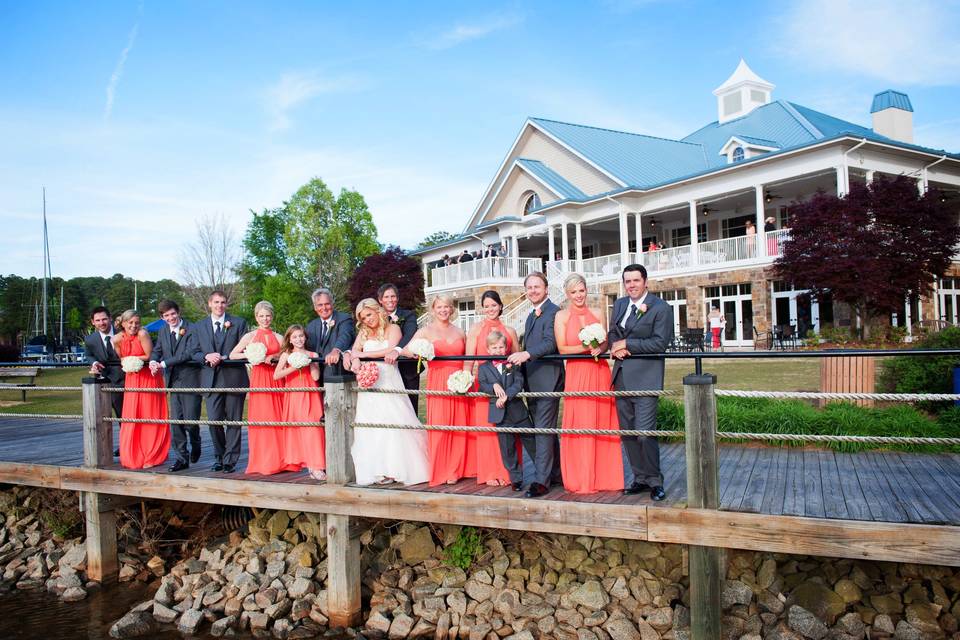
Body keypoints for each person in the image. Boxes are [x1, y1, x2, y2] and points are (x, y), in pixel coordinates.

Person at [607, 264, 674, 501]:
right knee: (628, 433)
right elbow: (613, 333)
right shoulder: (620, 304)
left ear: (645, 281)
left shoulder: (661, 308)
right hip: (622, 377)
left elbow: (659, 343)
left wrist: (628, 346)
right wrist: (617, 347)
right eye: (627, 281)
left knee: (645, 433)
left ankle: (655, 480)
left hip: (646, 378)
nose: (631, 285)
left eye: (636, 280)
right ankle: (640, 478)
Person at [345, 299, 429, 485]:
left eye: (369, 314)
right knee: (371, 423)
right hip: (368, 385)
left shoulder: (393, 329)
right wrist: (355, 360)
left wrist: (362, 355)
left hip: (388, 379)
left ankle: (396, 468)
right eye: (363, 317)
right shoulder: (363, 332)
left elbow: (390, 350)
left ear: (377, 311)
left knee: (393, 420)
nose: (367, 320)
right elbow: (354, 351)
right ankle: (377, 469)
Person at [554, 273, 623, 494]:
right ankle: (582, 478)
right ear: (567, 294)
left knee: (602, 422)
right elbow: (563, 348)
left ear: (586, 291)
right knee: (582, 422)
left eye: (581, 291)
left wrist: (599, 348)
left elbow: (604, 343)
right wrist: (585, 348)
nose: (578, 296)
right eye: (574, 292)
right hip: (577, 374)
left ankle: (606, 478)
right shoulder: (561, 316)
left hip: (599, 372)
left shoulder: (598, 312)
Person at [402, 295, 475, 486]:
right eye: (440, 307)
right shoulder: (425, 331)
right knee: (442, 425)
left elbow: (468, 357)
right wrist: (420, 352)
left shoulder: (460, 332)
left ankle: (459, 468)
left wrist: (466, 377)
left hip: (459, 381)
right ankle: (443, 468)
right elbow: (406, 350)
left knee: (461, 424)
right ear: (433, 309)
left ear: (452, 309)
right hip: (438, 381)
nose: (443, 310)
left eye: (447, 307)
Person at [507, 272, 563, 498]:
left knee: (542, 430)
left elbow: (551, 343)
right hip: (532, 380)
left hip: (548, 379)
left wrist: (526, 354)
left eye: (537, 286)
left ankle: (541, 481)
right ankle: (556, 474)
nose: (533, 290)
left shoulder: (554, 312)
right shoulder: (531, 316)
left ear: (546, 289)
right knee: (544, 431)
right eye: (529, 287)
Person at [464, 290, 520, 486]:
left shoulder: (510, 331)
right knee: (488, 430)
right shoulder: (475, 329)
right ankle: (489, 472)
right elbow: (468, 359)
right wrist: (465, 378)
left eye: (493, 305)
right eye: (486, 306)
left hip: (507, 389)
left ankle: (508, 473)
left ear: (500, 306)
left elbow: (517, 359)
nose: (490, 309)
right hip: (485, 387)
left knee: (507, 431)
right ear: (482, 308)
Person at [231, 301, 291, 476]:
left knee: (278, 418)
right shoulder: (249, 337)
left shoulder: (279, 337)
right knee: (263, 418)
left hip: (275, 380)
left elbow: (286, 354)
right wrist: (250, 355)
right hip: (259, 380)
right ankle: (264, 461)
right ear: (256, 317)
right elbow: (233, 354)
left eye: (268, 315)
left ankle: (282, 460)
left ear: (272, 317)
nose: (265, 319)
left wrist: (274, 356)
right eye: (261, 316)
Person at [194, 290, 248, 473]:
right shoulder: (199, 326)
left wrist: (224, 356)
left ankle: (230, 460)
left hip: (234, 378)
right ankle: (219, 456)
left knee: (234, 421)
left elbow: (245, 349)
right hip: (210, 379)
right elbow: (194, 352)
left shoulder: (239, 323)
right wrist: (206, 356)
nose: (220, 305)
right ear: (210, 303)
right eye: (216, 302)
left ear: (227, 304)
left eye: (223, 302)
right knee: (214, 421)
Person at [148, 300, 202, 472]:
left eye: (173, 314)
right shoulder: (163, 330)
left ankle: (196, 442)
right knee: (176, 422)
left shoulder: (192, 328)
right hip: (172, 381)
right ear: (162, 317)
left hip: (191, 379)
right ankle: (181, 457)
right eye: (166, 315)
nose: (170, 318)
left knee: (191, 421)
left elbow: (188, 354)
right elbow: (157, 349)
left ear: (178, 312)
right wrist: (153, 361)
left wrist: (163, 364)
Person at [114, 309, 170, 469]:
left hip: (148, 378)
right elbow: (120, 358)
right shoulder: (116, 339)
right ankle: (132, 454)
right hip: (132, 379)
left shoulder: (143, 334)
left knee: (148, 413)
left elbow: (149, 355)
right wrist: (127, 362)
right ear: (123, 323)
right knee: (133, 415)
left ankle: (151, 453)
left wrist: (133, 359)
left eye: (136, 323)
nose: (134, 326)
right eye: (130, 323)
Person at [476, 331, 530, 491]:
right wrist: (493, 386)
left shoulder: (512, 364)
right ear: (488, 349)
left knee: (531, 441)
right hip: (500, 414)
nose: (498, 350)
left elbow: (519, 382)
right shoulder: (484, 367)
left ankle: (543, 476)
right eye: (494, 347)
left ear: (506, 348)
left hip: (518, 411)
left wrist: (507, 395)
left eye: (501, 347)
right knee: (508, 448)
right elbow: (482, 385)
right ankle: (516, 480)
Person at [274, 325, 326, 481]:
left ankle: (316, 465)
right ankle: (307, 462)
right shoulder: (286, 355)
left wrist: (310, 362)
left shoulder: (313, 354)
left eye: (301, 336)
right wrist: (294, 367)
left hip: (310, 393)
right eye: (295, 337)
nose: (298, 339)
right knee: (300, 428)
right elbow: (276, 375)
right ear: (290, 339)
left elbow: (316, 377)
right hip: (295, 394)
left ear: (305, 337)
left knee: (314, 428)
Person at [379, 284, 420, 413]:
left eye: (393, 296)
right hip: (385, 371)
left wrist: (396, 350)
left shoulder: (408, 315)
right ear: (380, 300)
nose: (390, 300)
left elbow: (410, 334)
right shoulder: (375, 317)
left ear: (397, 298)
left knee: (410, 409)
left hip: (407, 370)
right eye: (386, 297)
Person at [306, 288, 355, 383]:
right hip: (315, 378)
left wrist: (336, 350)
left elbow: (345, 336)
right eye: (320, 305)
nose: (324, 308)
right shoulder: (310, 326)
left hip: (338, 375)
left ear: (332, 304)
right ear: (315, 307)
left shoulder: (344, 318)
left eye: (327, 304)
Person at [84, 306, 124, 420]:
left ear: (110, 318)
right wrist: (94, 362)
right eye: (97, 320)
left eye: (104, 319)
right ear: (93, 322)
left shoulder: (123, 334)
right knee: (102, 418)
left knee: (126, 417)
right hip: (103, 383)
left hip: (126, 381)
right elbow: (88, 355)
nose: (101, 323)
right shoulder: (90, 339)